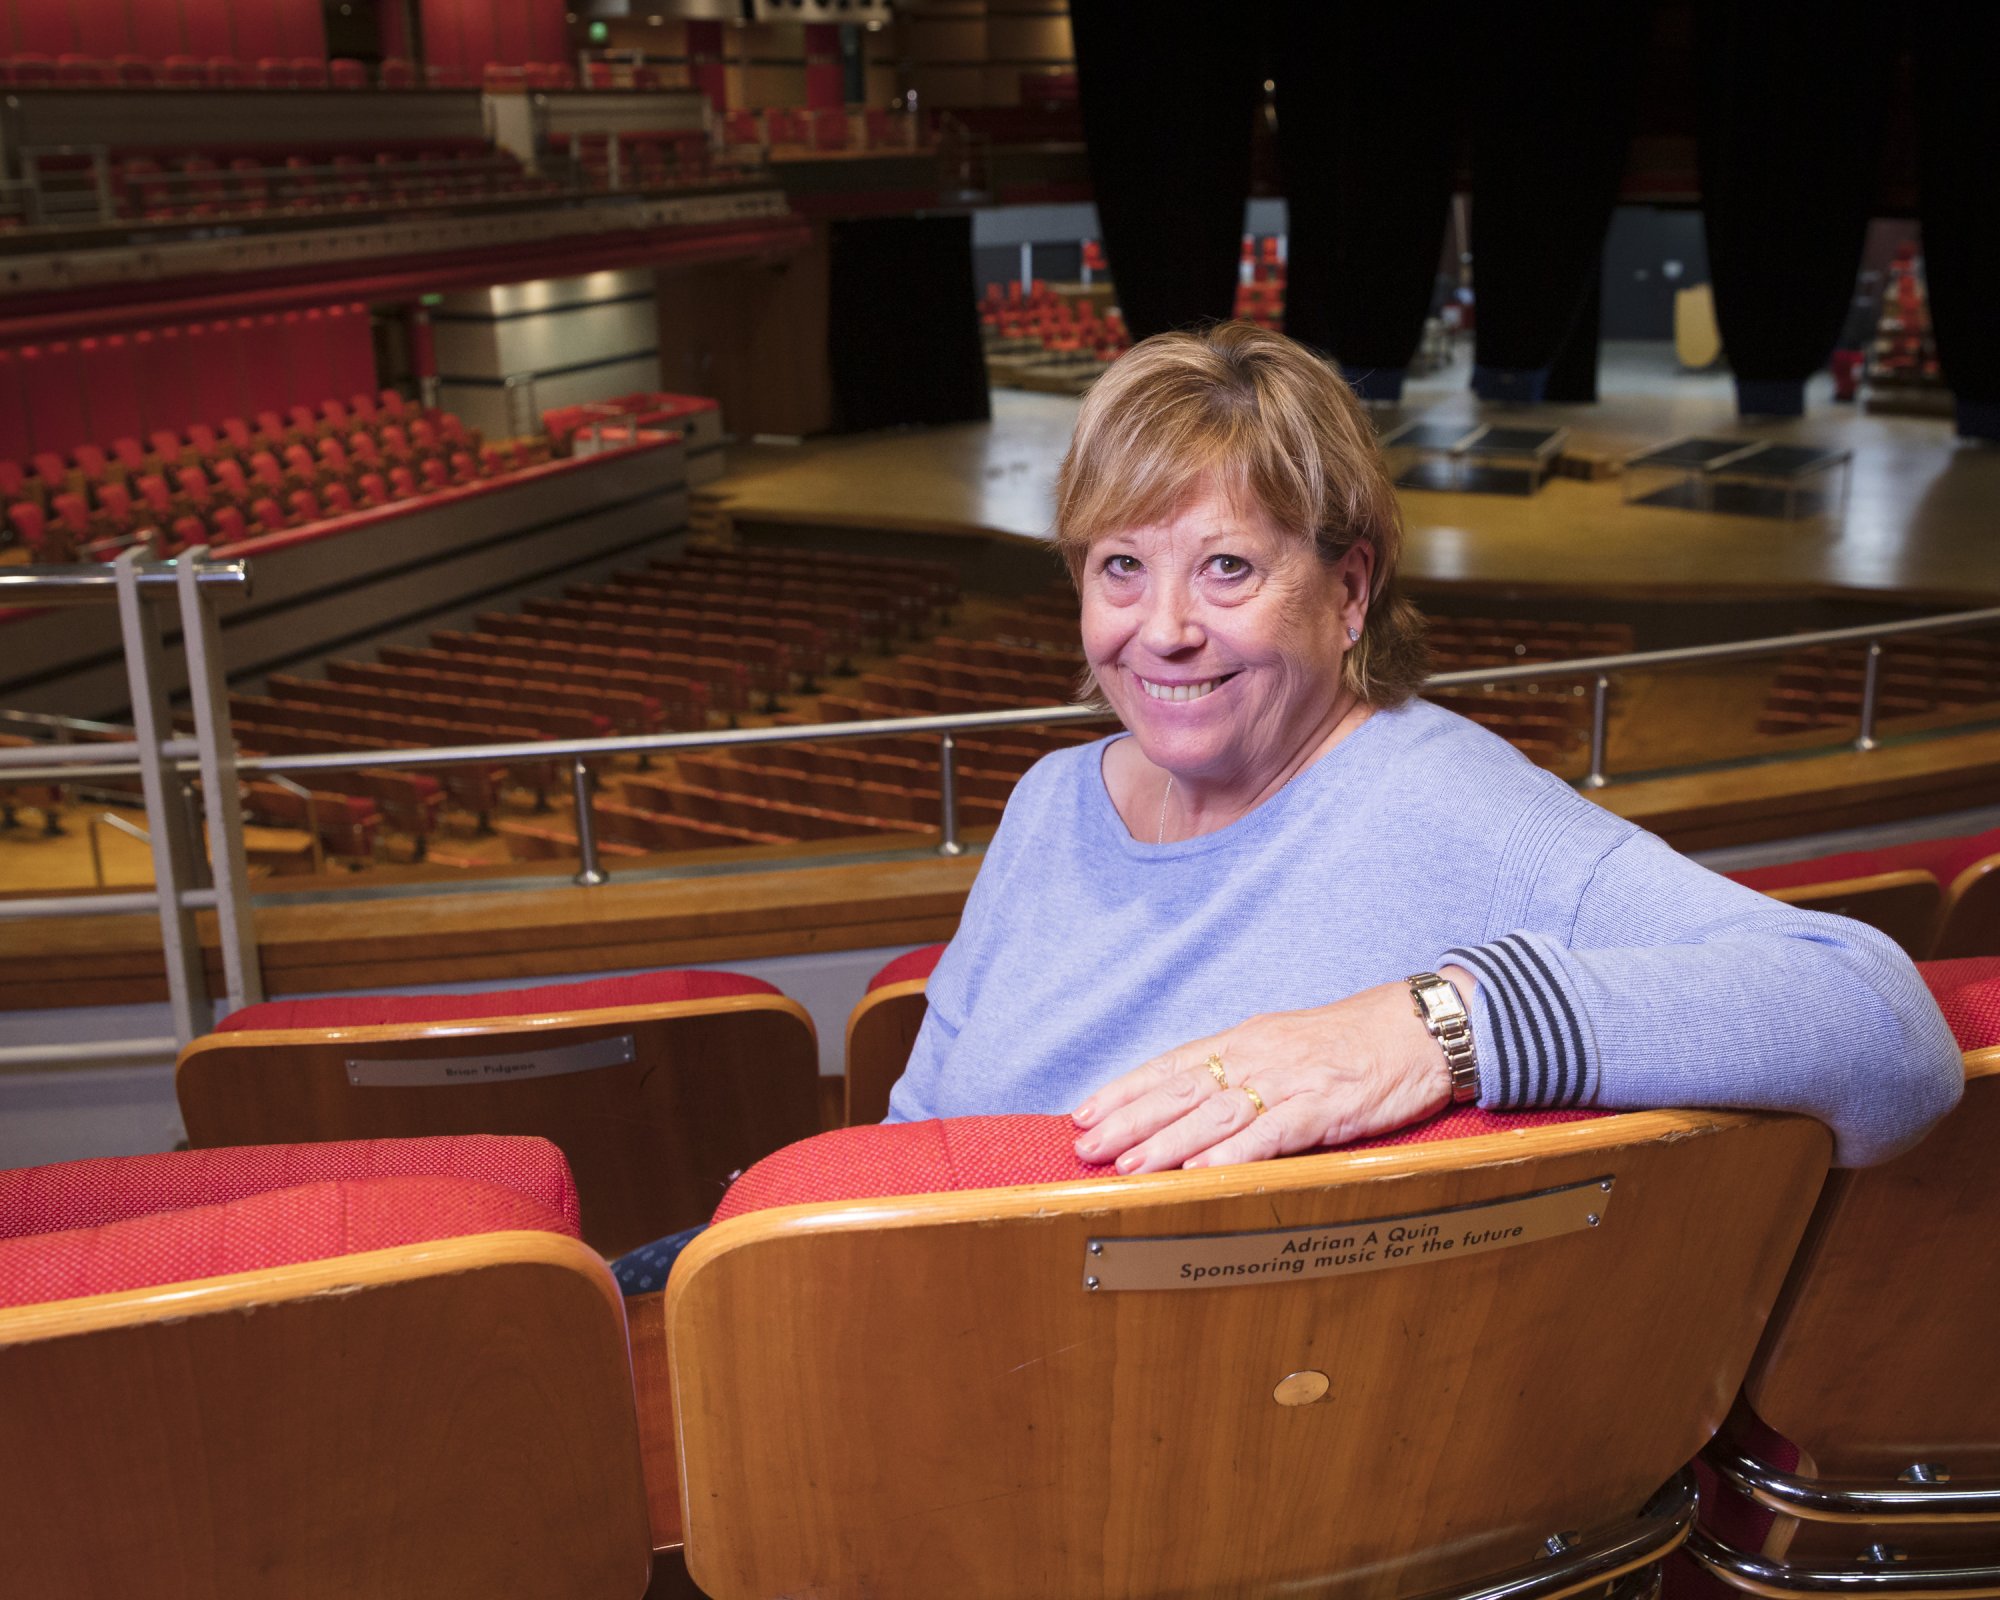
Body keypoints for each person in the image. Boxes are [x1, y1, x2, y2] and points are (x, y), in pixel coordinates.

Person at [882, 321, 1963, 1174]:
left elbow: (1881, 1028)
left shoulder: (1447, 804)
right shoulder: (1049, 802)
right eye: (1120, 565)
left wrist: (1436, 1026)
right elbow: (912, 1132)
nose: (1161, 627)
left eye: (1225, 567)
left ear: (1347, 591)